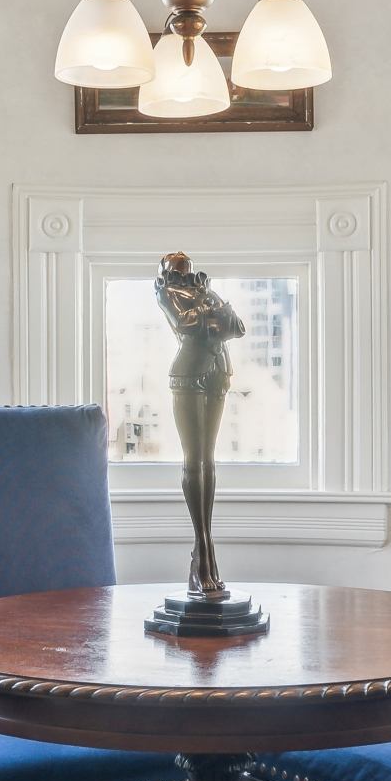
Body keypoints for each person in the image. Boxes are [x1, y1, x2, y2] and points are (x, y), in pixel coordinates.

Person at [153, 251, 244, 601]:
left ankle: (204, 553)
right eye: (175, 266)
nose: (181, 270)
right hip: (189, 376)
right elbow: (188, 325)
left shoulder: (203, 290)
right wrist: (214, 313)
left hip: (218, 375)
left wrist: (213, 315)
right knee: (194, 460)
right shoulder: (167, 291)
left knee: (208, 460)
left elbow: (235, 326)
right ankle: (202, 552)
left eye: (184, 265)